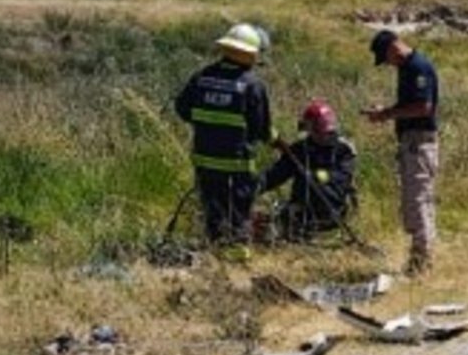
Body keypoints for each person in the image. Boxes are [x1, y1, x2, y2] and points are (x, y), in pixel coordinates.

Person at [174, 23, 274, 253]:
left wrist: (207, 123)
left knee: (213, 214)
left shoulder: (201, 77)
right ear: (251, 54)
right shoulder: (252, 85)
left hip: (204, 161)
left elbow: (182, 108)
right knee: (237, 217)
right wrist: (275, 139)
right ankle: (235, 265)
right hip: (237, 167)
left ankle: (214, 254)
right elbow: (261, 129)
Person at [363, 29, 439, 276]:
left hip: (419, 142)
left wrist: (386, 114)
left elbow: (423, 107)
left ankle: (421, 262)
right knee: (414, 202)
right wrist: (386, 111)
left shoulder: (419, 67)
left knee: (418, 202)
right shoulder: (407, 69)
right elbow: (408, 105)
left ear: (393, 48)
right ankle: (421, 257)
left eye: (386, 59)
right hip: (410, 142)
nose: (388, 65)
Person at [259, 99, 358, 241]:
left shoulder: (344, 150)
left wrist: (315, 175)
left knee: (311, 181)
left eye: (324, 131)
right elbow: (275, 175)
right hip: (300, 212)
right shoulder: (299, 150)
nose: (322, 136)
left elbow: (342, 176)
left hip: (334, 210)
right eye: (316, 131)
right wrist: (252, 186)